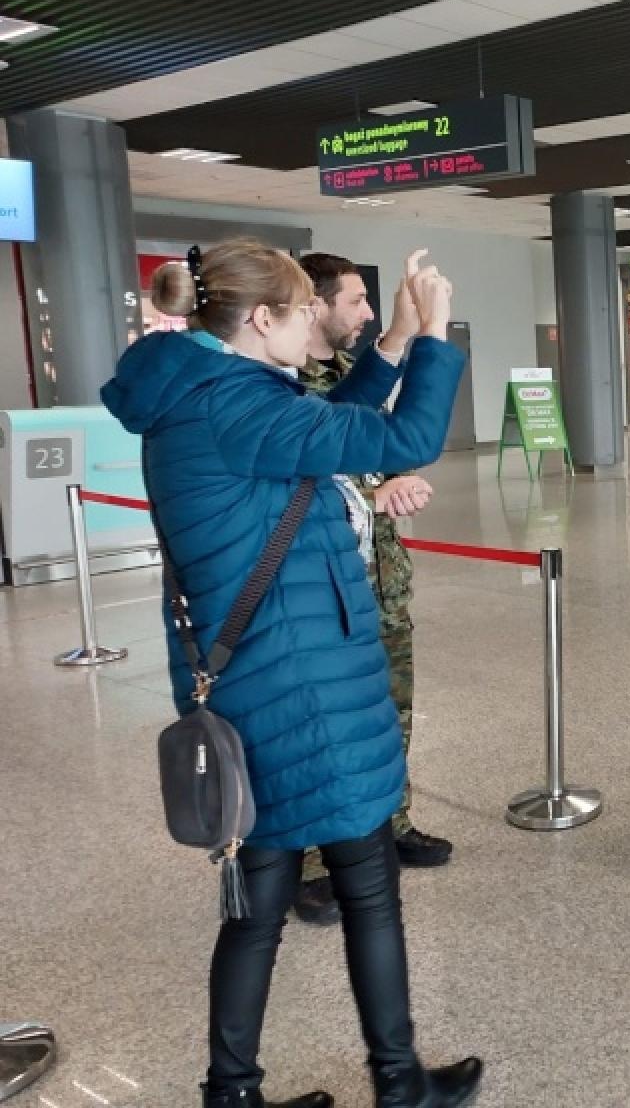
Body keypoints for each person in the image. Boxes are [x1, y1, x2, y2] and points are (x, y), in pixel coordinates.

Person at [100, 240, 481, 1108]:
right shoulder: (238, 406)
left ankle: (231, 1093)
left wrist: (388, 351)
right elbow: (411, 436)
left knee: (256, 904)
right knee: (369, 888)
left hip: (248, 684)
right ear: (262, 319)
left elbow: (317, 436)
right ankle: (400, 1083)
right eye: (307, 307)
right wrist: (432, 330)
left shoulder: (200, 392)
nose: (318, 320)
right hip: (303, 685)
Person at [292, 251, 452, 929]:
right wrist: (375, 483)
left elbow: (394, 446)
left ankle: (390, 822)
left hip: (380, 580)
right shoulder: (285, 387)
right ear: (313, 305)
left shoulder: (345, 375)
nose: (366, 313)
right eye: (356, 301)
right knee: (322, 728)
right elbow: (313, 472)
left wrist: (390, 480)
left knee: (393, 710)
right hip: (324, 590)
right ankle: (309, 863)